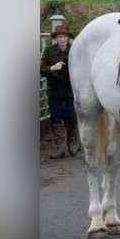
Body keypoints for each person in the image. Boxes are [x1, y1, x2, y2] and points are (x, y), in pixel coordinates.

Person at [40, 23, 77, 158]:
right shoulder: (49, 51)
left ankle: (70, 144)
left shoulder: (74, 50)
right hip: (54, 89)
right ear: (56, 38)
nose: (62, 39)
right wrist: (52, 68)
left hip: (70, 90)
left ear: (68, 38)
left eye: (64, 37)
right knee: (55, 118)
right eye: (60, 37)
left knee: (71, 117)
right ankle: (60, 148)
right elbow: (40, 69)